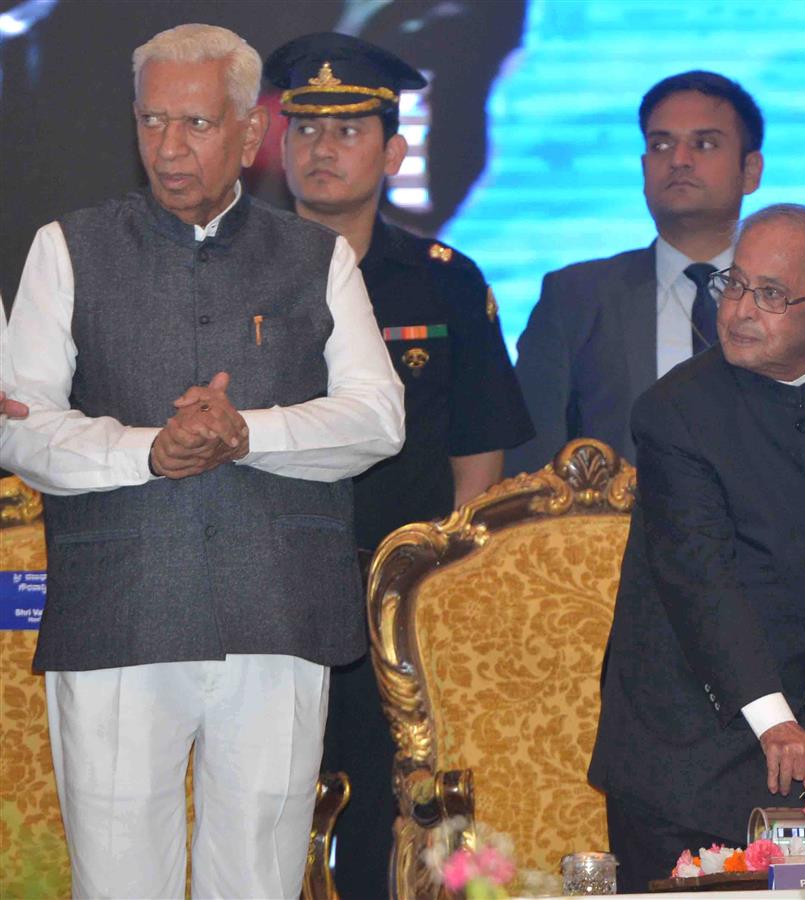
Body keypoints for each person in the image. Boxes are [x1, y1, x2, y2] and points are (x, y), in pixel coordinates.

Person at [0, 24, 404, 898]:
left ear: (250, 135)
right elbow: (22, 431)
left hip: (278, 612)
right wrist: (149, 450)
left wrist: (247, 434)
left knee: (257, 881)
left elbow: (378, 420)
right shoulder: (65, 248)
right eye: (151, 123)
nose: (169, 148)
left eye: (194, 123)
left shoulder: (318, 258)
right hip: (119, 608)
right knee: (117, 883)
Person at [264, 31, 535, 897]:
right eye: (305, 130)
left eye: (347, 131)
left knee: (399, 820)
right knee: (262, 809)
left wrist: (444, 592)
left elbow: (477, 456)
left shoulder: (444, 281)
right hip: (264, 590)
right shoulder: (234, 278)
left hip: (398, 601)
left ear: (394, 151)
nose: (322, 149)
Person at [588, 204, 805, 892]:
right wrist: (776, 723)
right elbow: (699, 579)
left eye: (770, 295)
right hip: (685, 753)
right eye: (733, 285)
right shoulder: (675, 410)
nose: (740, 310)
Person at [508, 71, 805, 471]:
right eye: (661, 144)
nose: (679, 160)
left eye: (704, 144)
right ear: (644, 168)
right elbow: (530, 465)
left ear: (750, 171)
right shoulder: (575, 296)